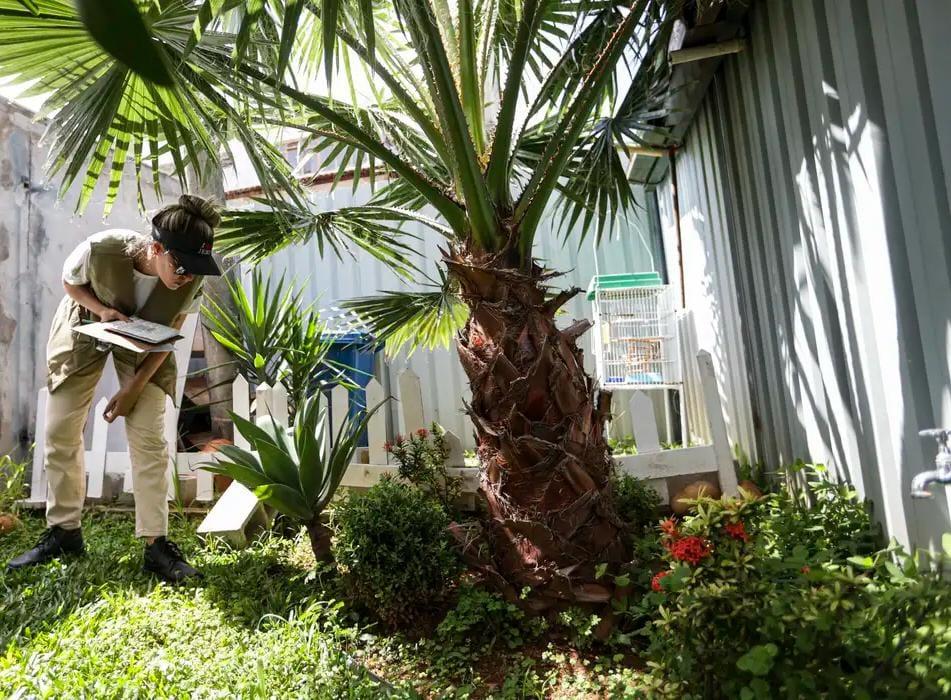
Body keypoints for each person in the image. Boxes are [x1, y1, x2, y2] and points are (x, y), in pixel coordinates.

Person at [6, 194, 222, 583]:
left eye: (196, 268)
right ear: (157, 248)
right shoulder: (101, 249)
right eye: (182, 265)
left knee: (151, 439)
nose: (188, 276)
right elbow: (70, 283)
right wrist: (102, 309)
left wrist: (134, 389)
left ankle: (157, 544)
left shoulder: (191, 282)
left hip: (147, 341)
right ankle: (64, 532)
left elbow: (169, 332)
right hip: (88, 323)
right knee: (60, 430)